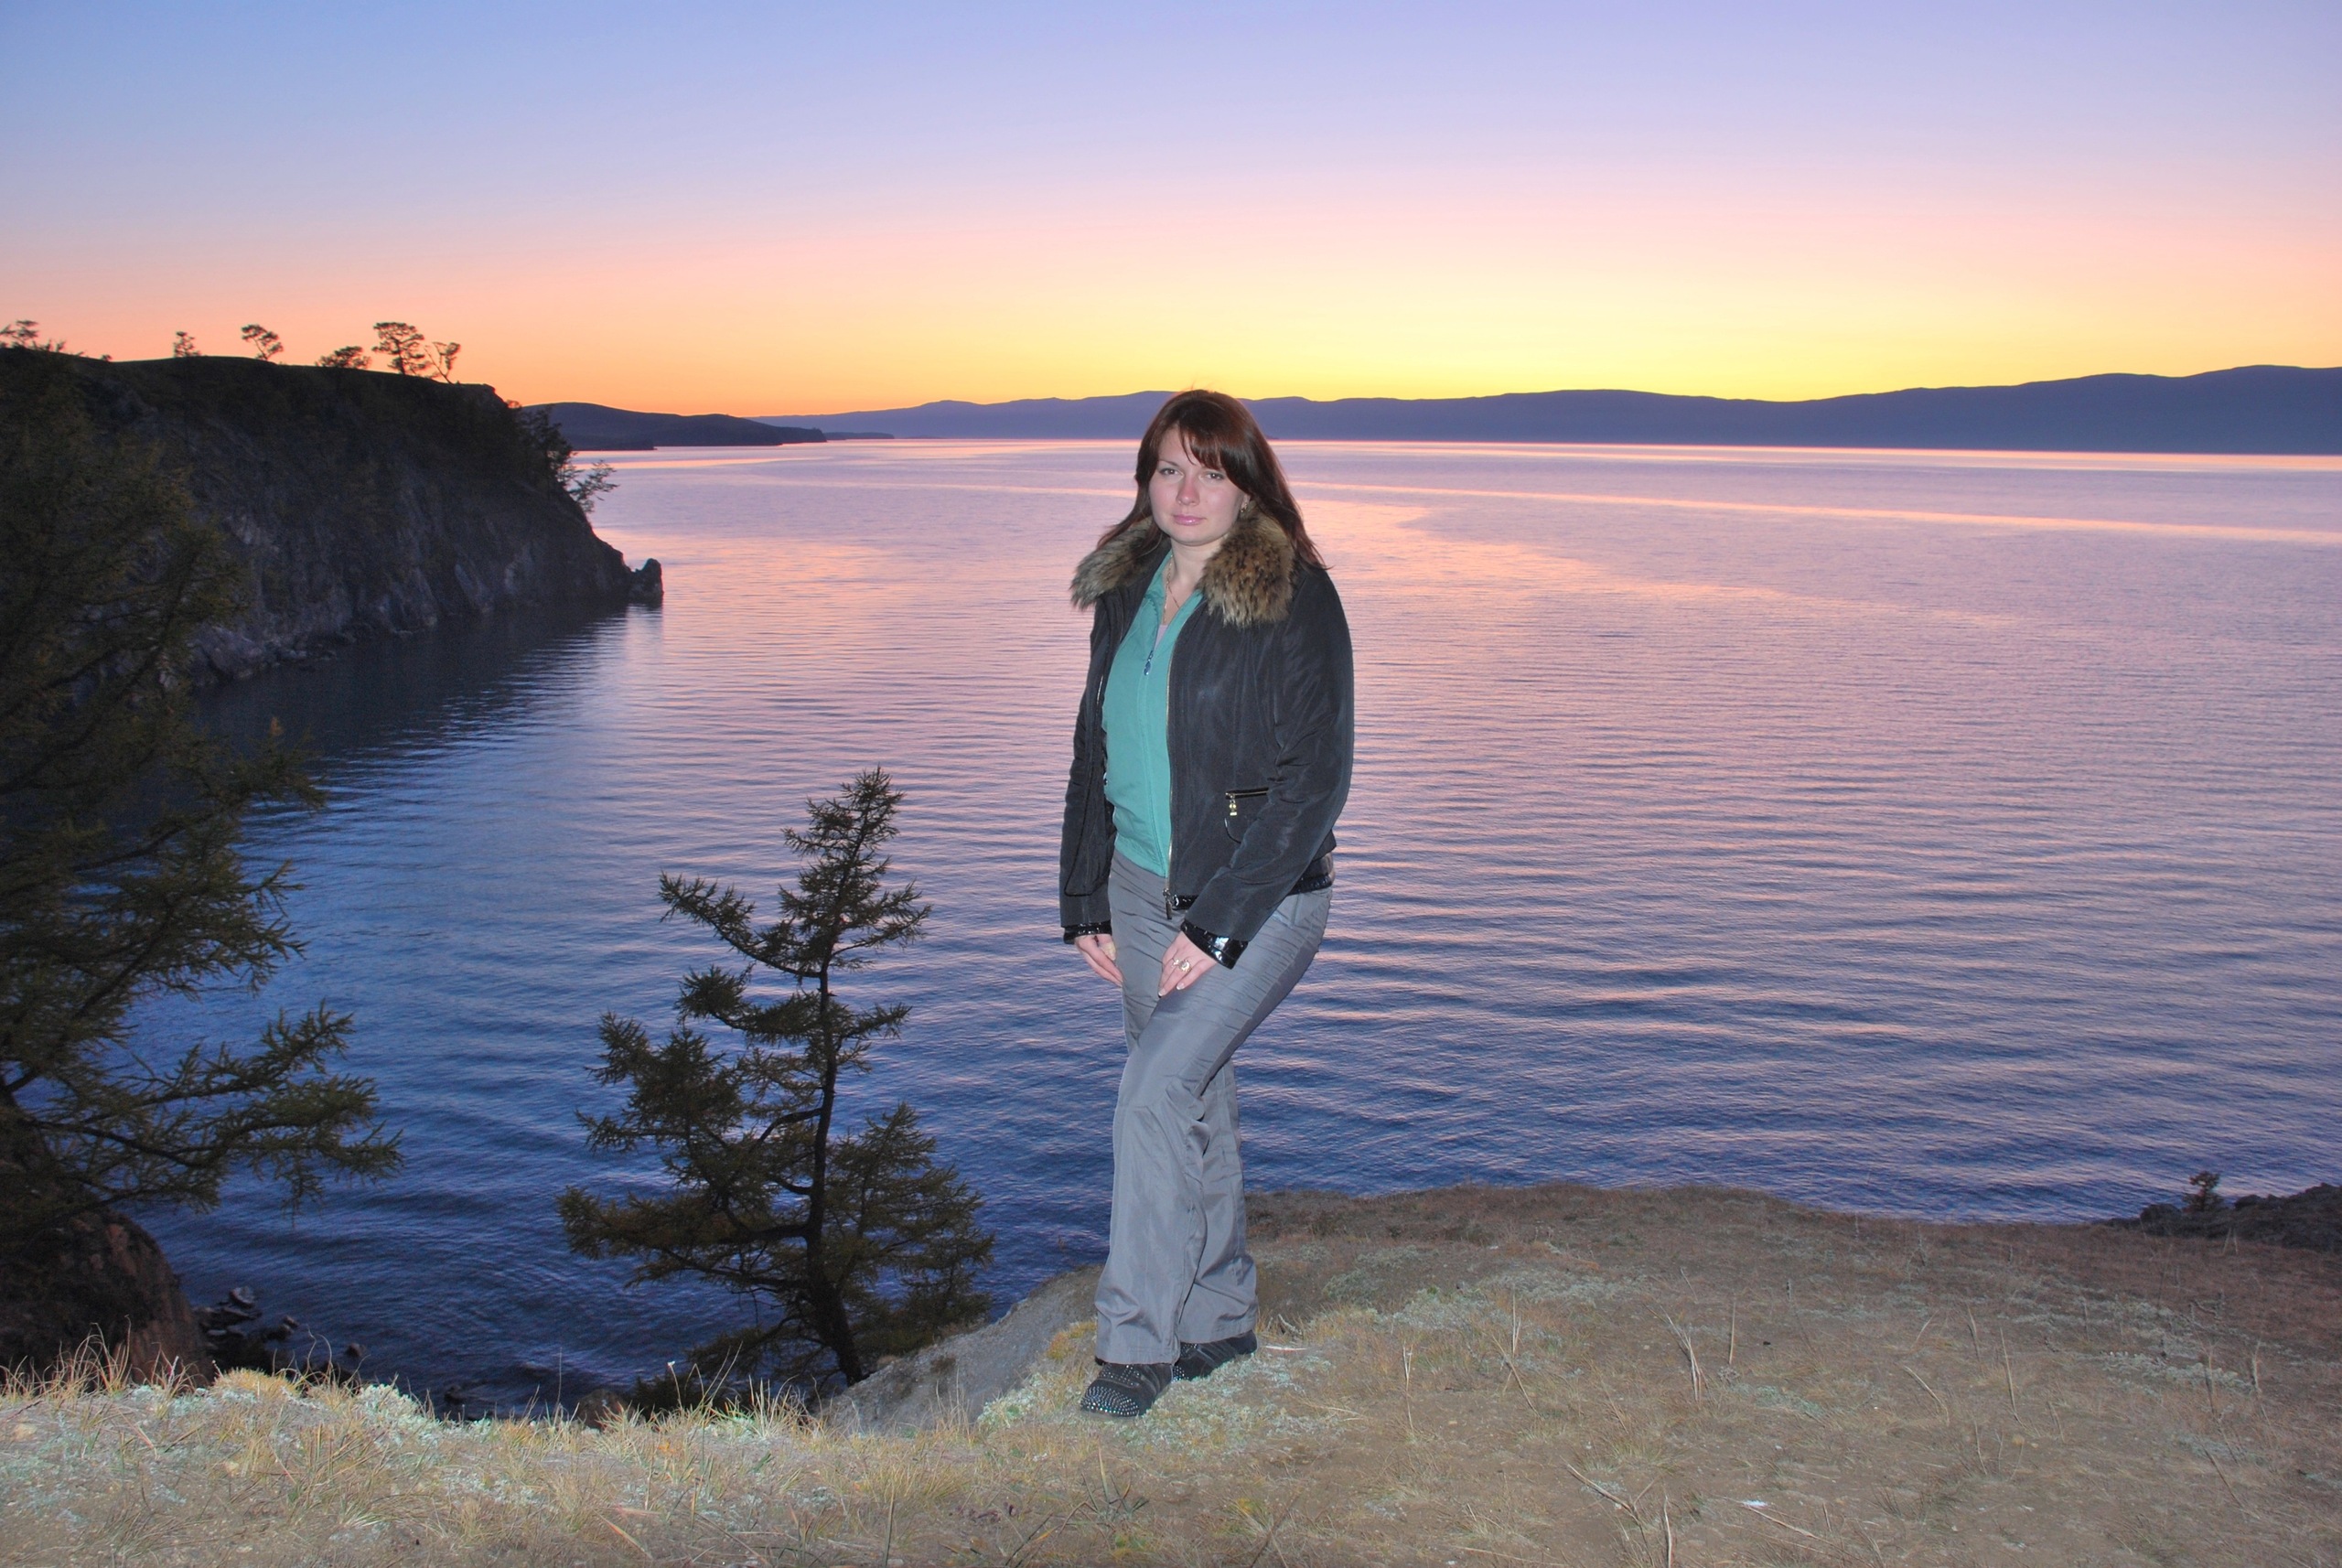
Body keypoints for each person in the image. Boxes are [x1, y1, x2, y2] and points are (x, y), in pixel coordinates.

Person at [1058, 390, 1355, 1417]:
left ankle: (1133, 1347)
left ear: (1248, 486)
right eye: (1169, 469)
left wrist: (1217, 923)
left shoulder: (1294, 596)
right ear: (1145, 479)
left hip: (1261, 899)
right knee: (1191, 1099)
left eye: (1212, 472)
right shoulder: (1126, 588)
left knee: (1151, 1095)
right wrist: (1084, 895)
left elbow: (1314, 781)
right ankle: (1218, 1318)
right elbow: (1096, 748)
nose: (1188, 493)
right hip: (1140, 890)